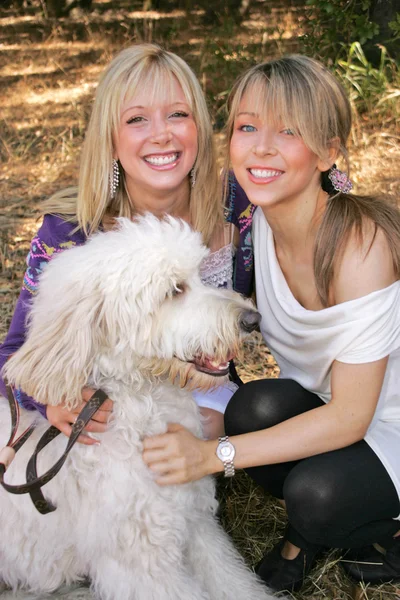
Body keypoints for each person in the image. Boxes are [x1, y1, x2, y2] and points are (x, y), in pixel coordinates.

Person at [142, 55, 400, 593]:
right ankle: (326, 523)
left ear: (329, 151)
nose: (261, 147)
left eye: (289, 131)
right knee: (251, 409)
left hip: (384, 421)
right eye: (247, 127)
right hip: (336, 414)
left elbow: (354, 416)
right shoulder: (254, 219)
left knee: (317, 495)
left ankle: (366, 531)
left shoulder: (360, 245)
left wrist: (211, 457)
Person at [0, 43, 242, 443]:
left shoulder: (238, 206)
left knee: (200, 423)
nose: (162, 134)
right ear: (111, 141)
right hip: (122, 403)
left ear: (198, 126)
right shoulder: (70, 233)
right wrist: (49, 401)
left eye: (178, 115)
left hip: (209, 395)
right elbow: (14, 353)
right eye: (137, 120)